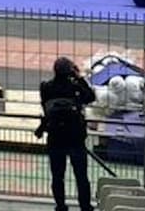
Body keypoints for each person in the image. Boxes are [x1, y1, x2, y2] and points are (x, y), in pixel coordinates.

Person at [35, 57, 97, 211]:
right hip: (75, 137)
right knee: (81, 177)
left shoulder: (46, 88)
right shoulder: (75, 88)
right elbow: (91, 97)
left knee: (57, 176)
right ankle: (85, 206)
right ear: (70, 71)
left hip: (55, 137)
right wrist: (79, 77)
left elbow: (45, 107)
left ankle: (61, 206)